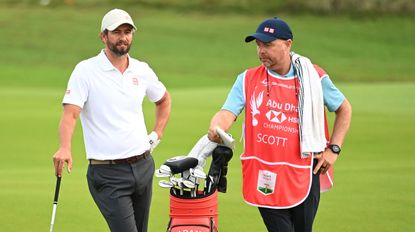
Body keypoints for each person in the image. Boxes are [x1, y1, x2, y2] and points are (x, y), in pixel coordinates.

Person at [208, 17, 352, 232]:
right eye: (258, 45)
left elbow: (344, 109)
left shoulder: (313, 77)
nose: (261, 51)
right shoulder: (247, 79)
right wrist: (216, 126)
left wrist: (334, 149)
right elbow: (227, 112)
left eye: (268, 44)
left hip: (304, 170)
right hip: (264, 172)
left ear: (287, 44)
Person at [52, 8, 171, 232]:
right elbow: (71, 113)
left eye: (127, 32)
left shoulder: (141, 70)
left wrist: (157, 134)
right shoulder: (85, 71)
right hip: (107, 174)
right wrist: (65, 147)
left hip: (143, 166)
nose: (123, 37)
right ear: (103, 36)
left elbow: (163, 100)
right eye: (116, 32)